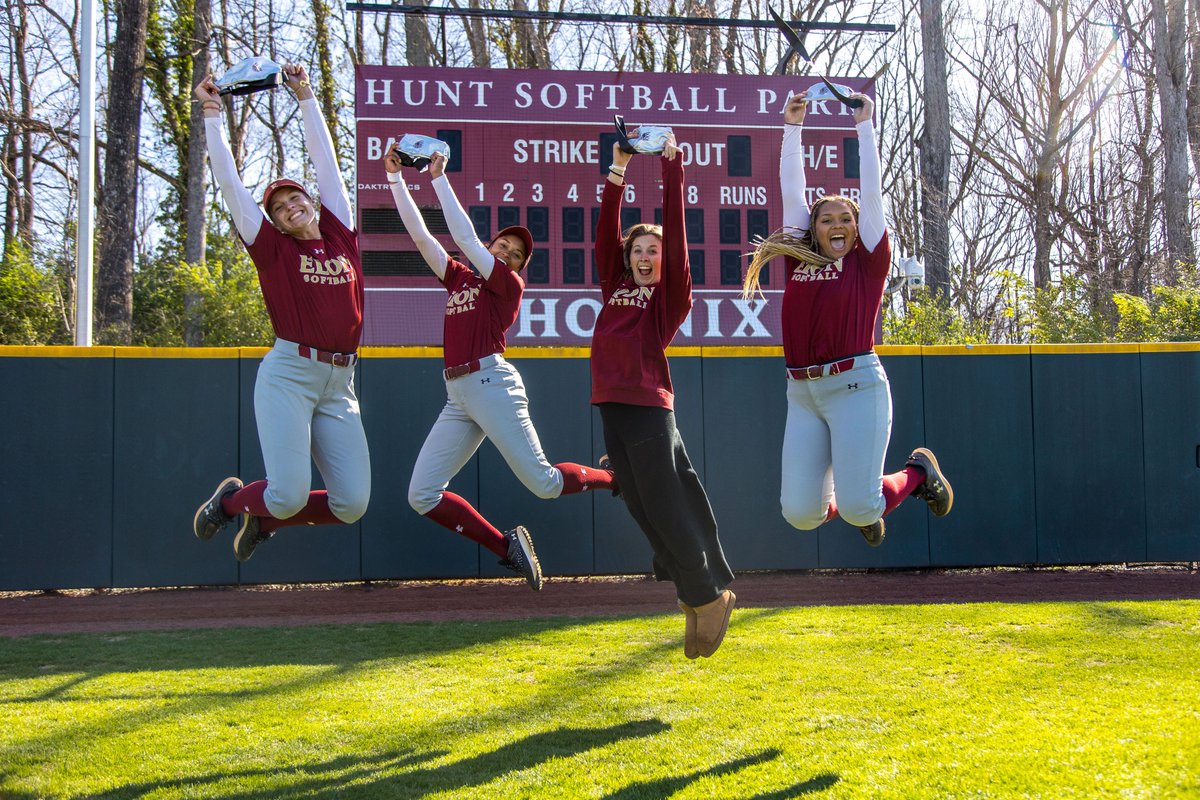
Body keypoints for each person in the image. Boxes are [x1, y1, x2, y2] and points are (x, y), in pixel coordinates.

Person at [385, 145, 618, 591]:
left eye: (515, 253)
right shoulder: (459, 278)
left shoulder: (507, 285)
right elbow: (422, 238)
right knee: (422, 495)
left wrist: (437, 178)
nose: (508, 253)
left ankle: (612, 478)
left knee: (545, 484)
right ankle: (505, 546)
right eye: (503, 245)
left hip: (491, 383)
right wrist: (396, 180)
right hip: (458, 395)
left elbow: (466, 240)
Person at [743, 92, 953, 548]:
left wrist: (865, 126)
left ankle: (918, 473)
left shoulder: (868, 261)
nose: (836, 224)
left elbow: (872, 193)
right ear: (812, 228)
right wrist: (792, 128)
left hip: (856, 385)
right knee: (800, 514)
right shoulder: (798, 259)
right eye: (825, 219)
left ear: (857, 228)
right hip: (801, 392)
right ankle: (861, 500)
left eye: (845, 219)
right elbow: (792, 192)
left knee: (861, 506)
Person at [190, 64, 370, 562]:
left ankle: (263, 519)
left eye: (296, 197)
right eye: (279, 205)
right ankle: (230, 504)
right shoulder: (274, 250)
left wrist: (307, 96)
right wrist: (211, 113)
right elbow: (230, 187)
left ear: (311, 203)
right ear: (274, 223)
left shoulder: (340, 235)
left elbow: (327, 164)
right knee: (289, 491)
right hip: (290, 373)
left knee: (353, 503)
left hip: (341, 383)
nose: (290, 205)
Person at [593, 134, 735, 659]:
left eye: (654, 251)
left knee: (666, 506)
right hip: (611, 406)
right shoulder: (614, 286)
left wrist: (673, 168)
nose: (647, 256)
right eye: (638, 250)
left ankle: (706, 595)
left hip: (649, 405)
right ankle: (694, 594)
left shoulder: (668, 296)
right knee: (641, 508)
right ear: (626, 257)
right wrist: (619, 169)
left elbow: (675, 234)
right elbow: (604, 235)